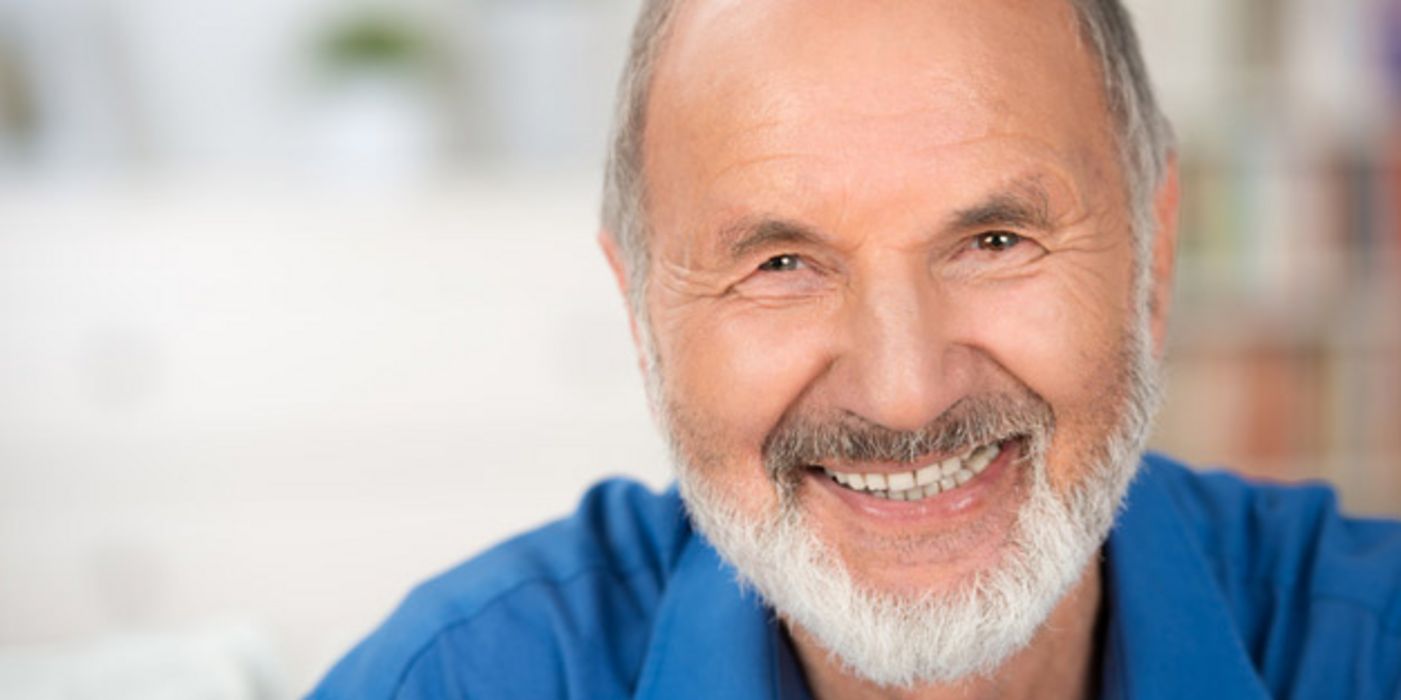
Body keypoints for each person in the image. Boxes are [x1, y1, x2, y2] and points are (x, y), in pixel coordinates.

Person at [312, 1, 1401, 697]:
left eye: (994, 239)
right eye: (780, 264)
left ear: (1154, 260)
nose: (904, 389)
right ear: (643, 318)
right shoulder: (458, 680)